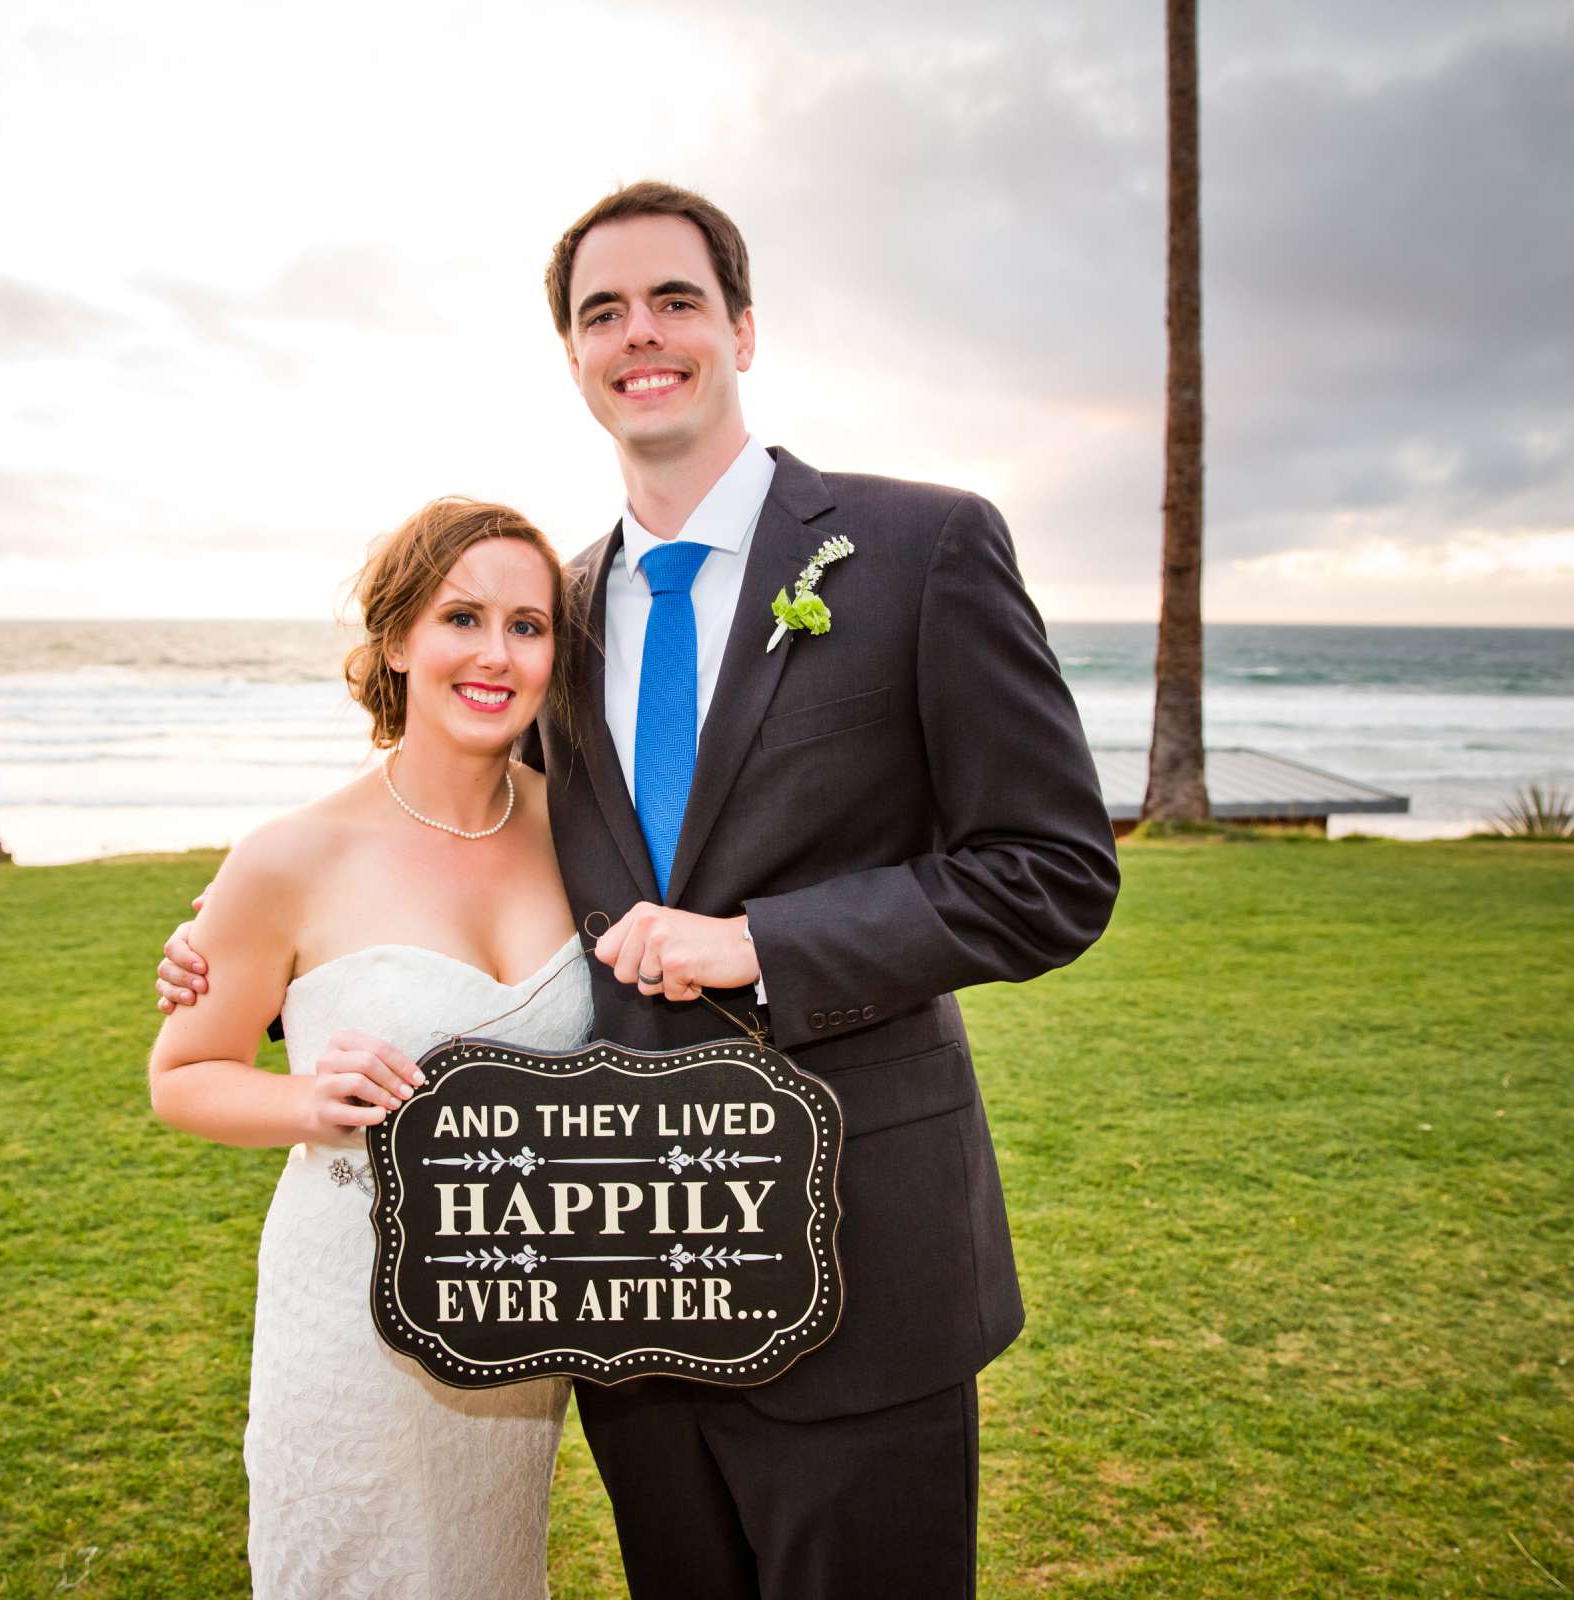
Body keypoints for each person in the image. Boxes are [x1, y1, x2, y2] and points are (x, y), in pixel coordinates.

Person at [160, 181, 1119, 1597]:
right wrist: (230, 947)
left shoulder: (926, 548)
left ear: (739, 326)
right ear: (572, 356)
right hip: (621, 1292)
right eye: (602, 312)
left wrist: (759, 944)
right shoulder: (564, 609)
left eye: (674, 299)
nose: (641, 334)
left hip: (865, 1259)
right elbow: (461, 826)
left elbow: (1051, 874)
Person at [147, 498, 591, 1599]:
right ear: (397, 640)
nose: (496, 654)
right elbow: (182, 1075)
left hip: (513, 1327)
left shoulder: (584, 833)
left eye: (528, 626)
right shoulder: (292, 853)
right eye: (463, 618)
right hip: (348, 1312)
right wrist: (310, 1100)